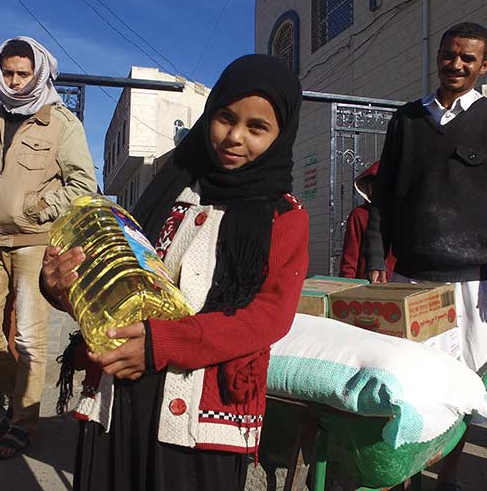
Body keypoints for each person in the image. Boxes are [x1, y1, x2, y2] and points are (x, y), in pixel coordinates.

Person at [42, 54, 308, 491]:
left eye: (257, 128)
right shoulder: (170, 189)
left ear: (282, 136)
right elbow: (120, 275)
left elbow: (269, 316)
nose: (235, 137)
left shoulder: (284, 217)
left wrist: (163, 344)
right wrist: (61, 288)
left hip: (201, 418)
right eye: (225, 118)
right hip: (121, 391)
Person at [363, 22, 487, 490]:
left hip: (470, 284)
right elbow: (384, 199)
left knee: (465, 386)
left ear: (485, 65)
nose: (456, 64)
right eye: (449, 54)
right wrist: (375, 256)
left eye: (467, 58)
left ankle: (449, 478)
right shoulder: (407, 121)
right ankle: (403, 476)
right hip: (409, 280)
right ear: (438, 56)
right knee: (406, 385)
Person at [0, 36, 98, 459]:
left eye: (24, 73)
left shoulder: (62, 123)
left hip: (33, 244)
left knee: (28, 339)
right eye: (8, 72)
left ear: (38, 73)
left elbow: (83, 185)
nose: (16, 81)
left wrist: (39, 208)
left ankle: (23, 423)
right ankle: (17, 403)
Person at [338, 161, 395, 279]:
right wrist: (346, 287)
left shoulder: (402, 216)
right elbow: (349, 260)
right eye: (373, 186)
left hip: (398, 286)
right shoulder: (359, 215)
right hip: (365, 287)